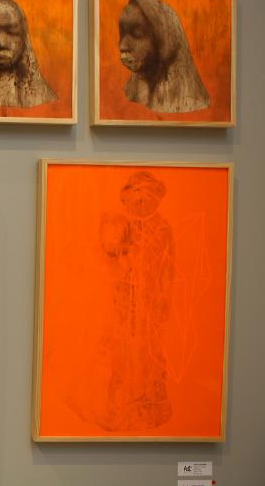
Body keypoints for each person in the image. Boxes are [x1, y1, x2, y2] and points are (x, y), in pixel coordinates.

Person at [92, 171, 175, 431]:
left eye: (147, 195)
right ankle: (116, 407)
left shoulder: (163, 228)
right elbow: (109, 258)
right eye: (136, 194)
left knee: (150, 353)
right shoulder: (122, 223)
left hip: (150, 301)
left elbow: (169, 268)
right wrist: (120, 251)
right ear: (126, 199)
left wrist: (164, 296)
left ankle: (150, 405)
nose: (141, 201)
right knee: (121, 352)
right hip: (124, 299)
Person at [119, 0, 210, 113]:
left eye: (137, 33)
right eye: (122, 33)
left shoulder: (190, 100)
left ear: (164, 40)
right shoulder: (132, 93)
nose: (122, 46)